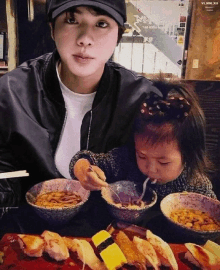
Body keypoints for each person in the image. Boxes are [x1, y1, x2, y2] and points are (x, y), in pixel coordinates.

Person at [0, 0, 161, 206]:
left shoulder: (142, 100)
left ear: (118, 35)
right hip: (29, 231)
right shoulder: (11, 92)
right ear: (52, 29)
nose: (85, 39)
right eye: (71, 20)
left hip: (115, 230)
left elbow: (160, 179)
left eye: (101, 24)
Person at [70, 78, 217, 201]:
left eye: (163, 162)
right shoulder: (126, 161)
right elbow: (84, 159)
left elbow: (212, 217)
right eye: (142, 156)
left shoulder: (196, 185)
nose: (151, 169)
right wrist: (83, 169)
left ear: (189, 154)